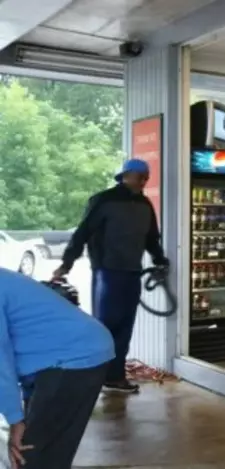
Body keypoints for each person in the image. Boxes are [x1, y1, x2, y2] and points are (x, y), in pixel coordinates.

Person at [53, 159, 169, 393]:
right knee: (104, 327)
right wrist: (66, 264)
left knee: (125, 327)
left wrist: (160, 260)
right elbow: (82, 232)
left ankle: (114, 377)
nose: (144, 180)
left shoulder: (145, 204)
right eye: (140, 176)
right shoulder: (104, 200)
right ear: (125, 175)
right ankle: (93, 378)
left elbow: (151, 239)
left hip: (132, 272)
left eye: (146, 176)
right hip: (107, 272)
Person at [0, 267, 114, 468]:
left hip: (73, 356)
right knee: (33, 449)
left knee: (33, 456)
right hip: (49, 359)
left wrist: (15, 419)